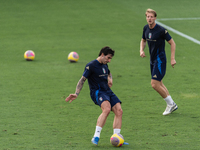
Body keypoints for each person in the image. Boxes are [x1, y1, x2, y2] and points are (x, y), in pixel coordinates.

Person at [65, 46, 128, 145]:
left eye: (110, 58)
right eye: (108, 58)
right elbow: (82, 80)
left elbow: (109, 73)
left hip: (107, 91)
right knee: (106, 109)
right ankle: (96, 136)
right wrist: (76, 93)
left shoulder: (105, 64)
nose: (109, 60)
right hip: (97, 92)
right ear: (102, 55)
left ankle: (117, 137)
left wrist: (110, 78)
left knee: (119, 111)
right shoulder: (91, 65)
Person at [139, 8, 178, 115]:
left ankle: (170, 104)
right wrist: (141, 50)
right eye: (148, 17)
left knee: (154, 84)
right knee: (159, 83)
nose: (149, 18)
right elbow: (143, 40)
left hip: (160, 60)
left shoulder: (161, 30)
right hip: (152, 60)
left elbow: (172, 43)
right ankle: (172, 104)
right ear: (146, 18)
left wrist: (172, 58)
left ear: (155, 18)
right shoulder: (145, 28)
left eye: (151, 17)